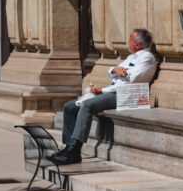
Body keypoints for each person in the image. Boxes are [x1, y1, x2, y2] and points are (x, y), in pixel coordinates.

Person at [49, 29, 157, 165]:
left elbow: (130, 80)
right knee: (69, 107)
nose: (127, 42)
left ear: (138, 44)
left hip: (125, 95)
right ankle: (68, 147)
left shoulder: (146, 58)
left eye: (130, 40)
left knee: (86, 105)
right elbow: (112, 72)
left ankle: (75, 150)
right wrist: (114, 70)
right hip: (113, 91)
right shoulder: (132, 57)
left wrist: (103, 89)